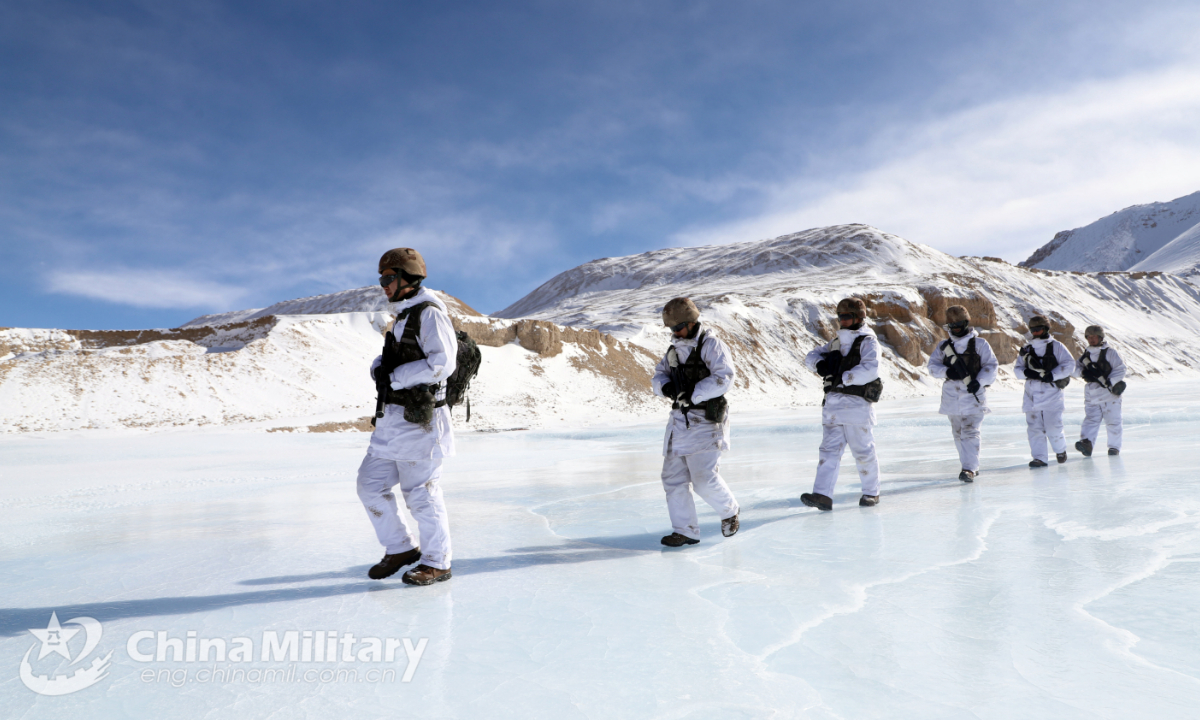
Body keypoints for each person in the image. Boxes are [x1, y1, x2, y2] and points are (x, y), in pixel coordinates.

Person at [356, 248, 458, 585]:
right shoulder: (403, 315)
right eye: (381, 278)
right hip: (392, 424)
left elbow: (443, 362)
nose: (383, 285)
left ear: (408, 278)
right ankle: (400, 548)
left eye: (388, 278)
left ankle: (436, 562)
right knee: (370, 485)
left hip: (420, 424)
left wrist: (395, 377)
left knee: (422, 496)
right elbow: (397, 358)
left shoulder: (430, 314)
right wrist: (379, 368)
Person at [651, 297, 740, 546]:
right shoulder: (673, 351)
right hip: (679, 422)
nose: (674, 332)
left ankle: (730, 511)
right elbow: (658, 376)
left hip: (705, 422)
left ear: (691, 322)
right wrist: (667, 388)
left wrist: (693, 393)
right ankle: (686, 530)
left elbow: (725, 377)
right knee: (673, 480)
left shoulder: (711, 344)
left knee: (703, 479)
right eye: (671, 328)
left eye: (677, 327)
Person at [800, 297, 883, 511]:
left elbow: (871, 369)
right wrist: (820, 364)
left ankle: (871, 493)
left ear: (859, 317)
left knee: (863, 452)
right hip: (833, 407)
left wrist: (844, 377)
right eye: (840, 317)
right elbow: (811, 356)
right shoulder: (835, 342)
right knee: (828, 453)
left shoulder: (868, 341)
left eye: (846, 317)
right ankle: (822, 495)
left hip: (856, 406)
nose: (842, 321)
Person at [927, 305, 999, 482]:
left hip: (973, 396)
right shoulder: (944, 346)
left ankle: (969, 469)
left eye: (958, 325)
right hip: (952, 397)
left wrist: (979, 381)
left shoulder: (980, 344)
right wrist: (947, 372)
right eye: (952, 326)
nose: (955, 329)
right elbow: (932, 366)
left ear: (966, 323)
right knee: (958, 433)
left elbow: (991, 367)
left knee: (970, 432)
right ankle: (969, 465)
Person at [1013, 314, 1073, 467]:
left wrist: (1052, 375)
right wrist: (1028, 373)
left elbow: (1069, 364)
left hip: (1052, 394)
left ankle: (1060, 450)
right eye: (1033, 330)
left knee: (1053, 428)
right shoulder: (1026, 349)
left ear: (1046, 329)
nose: (1035, 333)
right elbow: (1018, 369)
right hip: (1031, 395)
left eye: (1038, 329)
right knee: (1034, 430)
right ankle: (1039, 458)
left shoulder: (1057, 347)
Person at [1073, 325, 1127, 457]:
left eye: (1094, 337)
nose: (1091, 339)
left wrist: (1110, 381)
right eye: (1089, 337)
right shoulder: (1086, 354)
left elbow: (1120, 369)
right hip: (1092, 394)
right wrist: (1084, 372)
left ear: (1100, 337)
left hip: (1109, 394)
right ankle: (1087, 443)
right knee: (1090, 420)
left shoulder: (1110, 352)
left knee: (1113, 422)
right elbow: (1074, 369)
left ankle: (1114, 448)